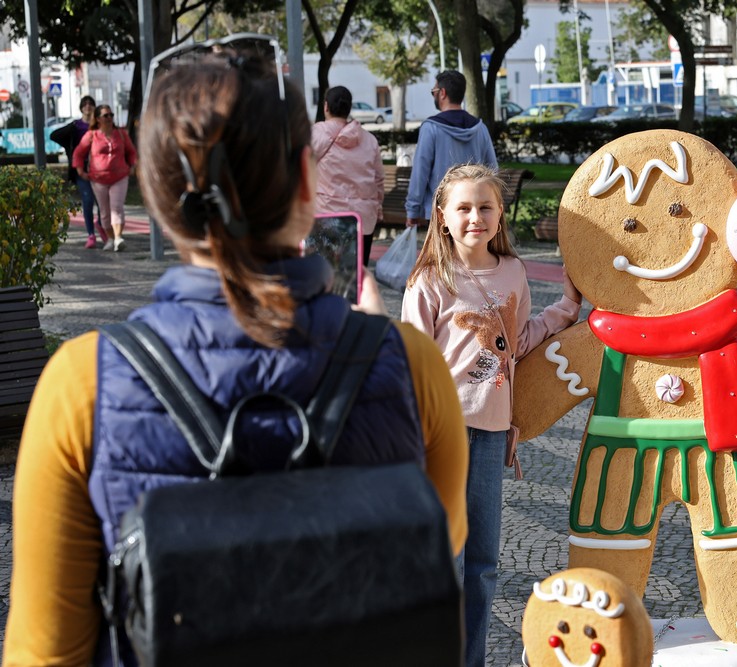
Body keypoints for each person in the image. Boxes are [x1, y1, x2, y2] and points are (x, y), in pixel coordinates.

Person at [4, 36, 468, 667]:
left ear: (160, 200)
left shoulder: (82, 381)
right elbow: (437, 542)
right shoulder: (414, 365)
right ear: (307, 180)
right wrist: (372, 345)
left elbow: (45, 651)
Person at [401, 164, 582, 667]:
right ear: (442, 217)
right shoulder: (429, 281)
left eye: (485, 207)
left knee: (482, 562)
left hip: (490, 433)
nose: (475, 216)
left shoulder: (513, 273)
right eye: (463, 208)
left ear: (500, 214)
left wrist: (566, 308)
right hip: (440, 434)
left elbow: (516, 342)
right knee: (447, 560)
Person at [404, 71, 498, 228]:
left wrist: (412, 211)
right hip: (474, 211)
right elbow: (493, 171)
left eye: (433, 91)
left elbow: (420, 172)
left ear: (442, 93)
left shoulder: (431, 128)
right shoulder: (480, 128)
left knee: (442, 253)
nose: (433, 95)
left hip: (441, 211)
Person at [311, 85, 384, 265]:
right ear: (349, 108)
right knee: (358, 274)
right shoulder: (369, 139)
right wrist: (378, 206)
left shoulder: (314, 134)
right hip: (363, 220)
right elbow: (378, 180)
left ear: (325, 106)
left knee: (326, 274)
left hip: (325, 217)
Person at [72, 104, 136, 252]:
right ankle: (110, 239)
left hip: (119, 177)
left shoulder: (121, 134)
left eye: (111, 115)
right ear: (98, 119)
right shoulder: (91, 135)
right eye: (105, 115)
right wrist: (81, 171)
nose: (109, 118)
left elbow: (132, 152)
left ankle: (119, 238)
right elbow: (78, 153)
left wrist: (133, 166)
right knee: (105, 211)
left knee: (117, 207)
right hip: (98, 179)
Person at [52, 95, 103, 248]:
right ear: (81, 108)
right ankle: (91, 235)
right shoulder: (76, 126)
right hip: (81, 170)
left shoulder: (100, 126)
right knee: (87, 200)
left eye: (90, 104)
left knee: (102, 203)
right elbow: (54, 136)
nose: (88, 106)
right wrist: (70, 149)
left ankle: (101, 225)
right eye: (85, 104)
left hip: (100, 169)